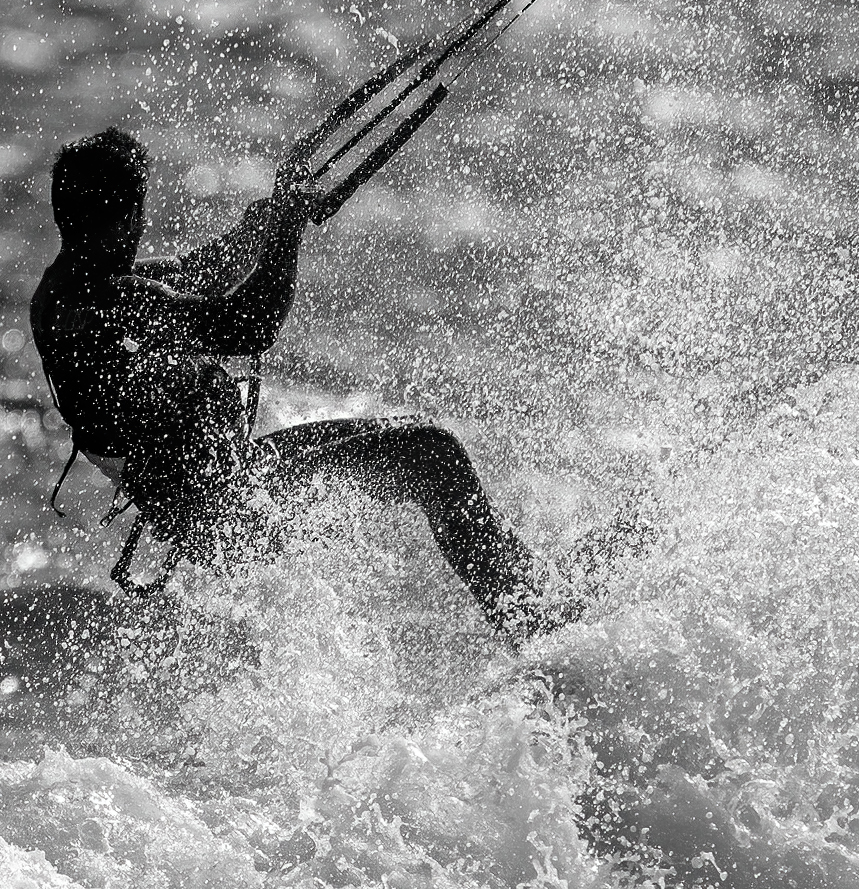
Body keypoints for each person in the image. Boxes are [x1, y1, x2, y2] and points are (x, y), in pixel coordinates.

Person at [30, 127, 577, 640]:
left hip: (222, 490)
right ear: (123, 222)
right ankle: (534, 623)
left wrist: (264, 224)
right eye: (139, 215)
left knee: (423, 447)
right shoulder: (112, 301)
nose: (141, 229)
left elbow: (195, 272)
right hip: (231, 511)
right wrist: (288, 229)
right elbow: (251, 324)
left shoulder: (62, 291)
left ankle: (536, 597)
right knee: (431, 453)